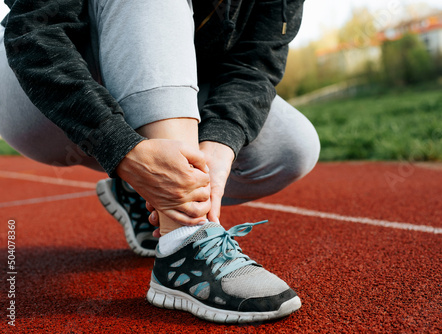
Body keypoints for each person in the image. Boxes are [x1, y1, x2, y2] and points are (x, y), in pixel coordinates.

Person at [0, 0, 320, 323]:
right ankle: (185, 242)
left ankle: (142, 195)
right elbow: (34, 29)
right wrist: (120, 148)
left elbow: (255, 64)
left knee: (293, 147)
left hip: (160, 91)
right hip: (37, 81)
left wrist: (221, 142)